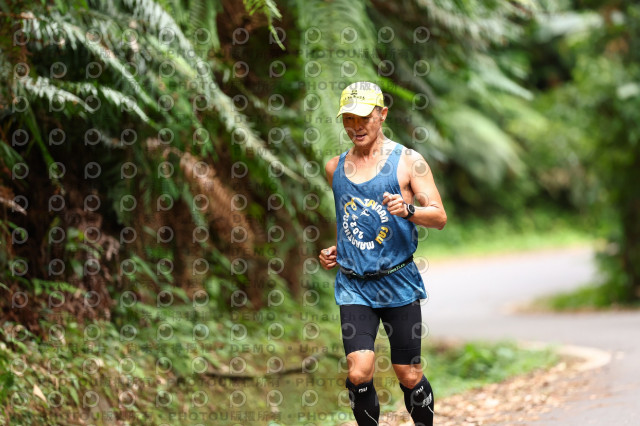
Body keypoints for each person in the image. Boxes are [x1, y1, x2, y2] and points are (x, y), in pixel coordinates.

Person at [318, 81, 447, 426]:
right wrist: (338, 249)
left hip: (397, 282)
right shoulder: (334, 168)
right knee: (358, 372)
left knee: (409, 373)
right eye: (348, 118)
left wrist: (408, 210)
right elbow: (349, 218)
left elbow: (439, 217)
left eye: (363, 117)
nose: (356, 126)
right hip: (354, 285)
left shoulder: (409, 162)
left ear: (382, 114)